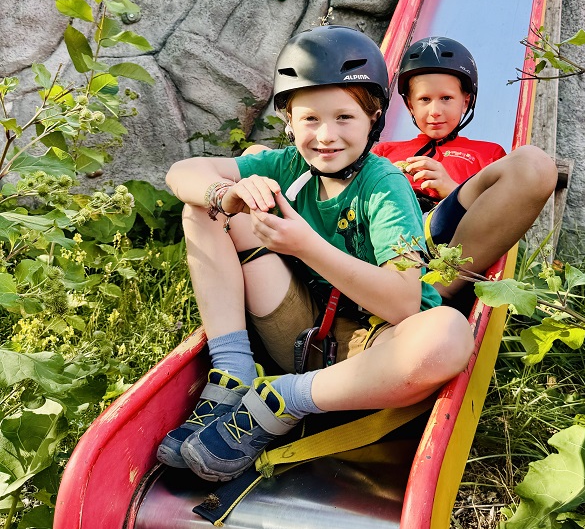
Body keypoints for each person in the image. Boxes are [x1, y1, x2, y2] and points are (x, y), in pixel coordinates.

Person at [157, 25, 474, 483]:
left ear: (374, 118)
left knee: (448, 333)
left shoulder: (384, 185)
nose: (326, 136)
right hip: (302, 333)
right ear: (289, 121)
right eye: (310, 119)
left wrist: (305, 244)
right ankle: (233, 372)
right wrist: (225, 194)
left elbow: (404, 304)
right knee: (202, 208)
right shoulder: (286, 165)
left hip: (373, 357)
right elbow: (183, 171)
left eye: (344, 117)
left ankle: (287, 398)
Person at [372, 37, 558, 301]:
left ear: (465, 101)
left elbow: (501, 213)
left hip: (450, 238)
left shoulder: (488, 154)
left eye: (446, 98)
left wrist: (450, 188)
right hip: (391, 232)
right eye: (424, 99)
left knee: (533, 162)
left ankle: (439, 291)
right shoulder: (385, 151)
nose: (435, 111)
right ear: (410, 105)